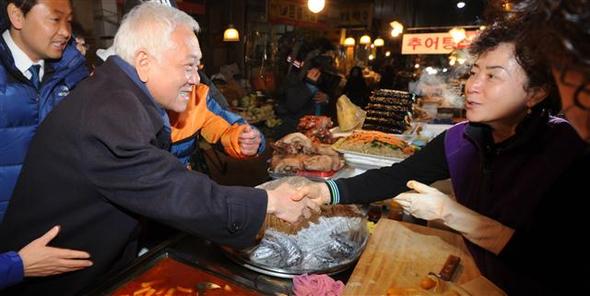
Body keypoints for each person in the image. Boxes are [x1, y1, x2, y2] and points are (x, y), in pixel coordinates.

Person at [0, 3, 317, 295]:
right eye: (189, 66)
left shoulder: (117, 95)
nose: (196, 80)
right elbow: (168, 186)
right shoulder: (109, 109)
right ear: (143, 63)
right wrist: (267, 203)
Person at [296, 19, 587, 294]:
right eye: (474, 72)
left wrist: (451, 213)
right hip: (479, 279)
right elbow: (396, 177)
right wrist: (324, 191)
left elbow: (555, 262)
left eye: (492, 76)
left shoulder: (568, 150)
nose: (472, 86)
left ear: (535, 93)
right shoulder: (460, 139)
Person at [0, 0, 92, 290]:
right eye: (54, 19)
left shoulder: (75, 73)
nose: (66, 31)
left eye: (69, 20)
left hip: (59, 241)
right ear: (17, 15)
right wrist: (14, 266)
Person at [275, 38, 337, 138]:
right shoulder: (292, 75)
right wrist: (310, 85)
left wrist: (327, 99)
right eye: (325, 57)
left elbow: (333, 100)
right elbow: (292, 105)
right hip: (294, 133)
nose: (328, 61)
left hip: (316, 131)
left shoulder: (322, 74)